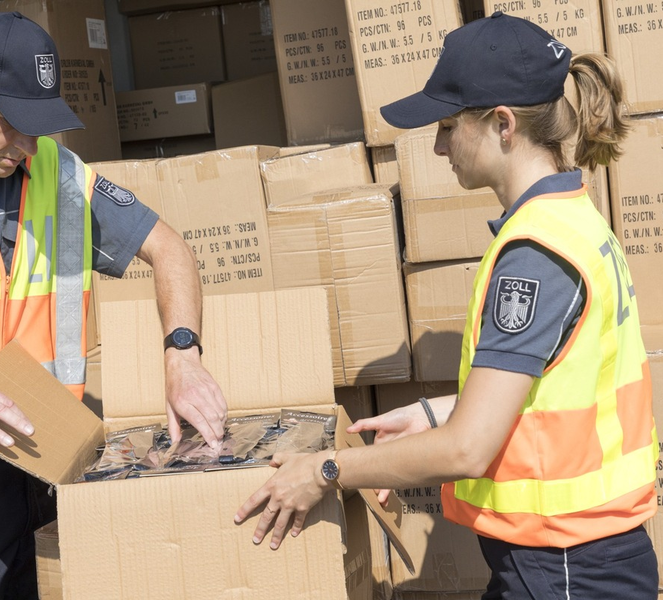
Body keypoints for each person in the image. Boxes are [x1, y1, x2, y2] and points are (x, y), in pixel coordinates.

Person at [235, 11, 658, 599]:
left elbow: (469, 448)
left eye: (448, 125)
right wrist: (432, 414)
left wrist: (327, 470)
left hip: (565, 568)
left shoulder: (536, 254)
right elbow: (553, 386)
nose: (437, 145)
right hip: (577, 558)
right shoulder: (573, 221)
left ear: (502, 124)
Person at [0, 11, 227, 599]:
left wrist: (183, 353)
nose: (28, 145)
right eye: (11, 123)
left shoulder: (58, 171)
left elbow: (171, 250)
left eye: (41, 125)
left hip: (49, 462)